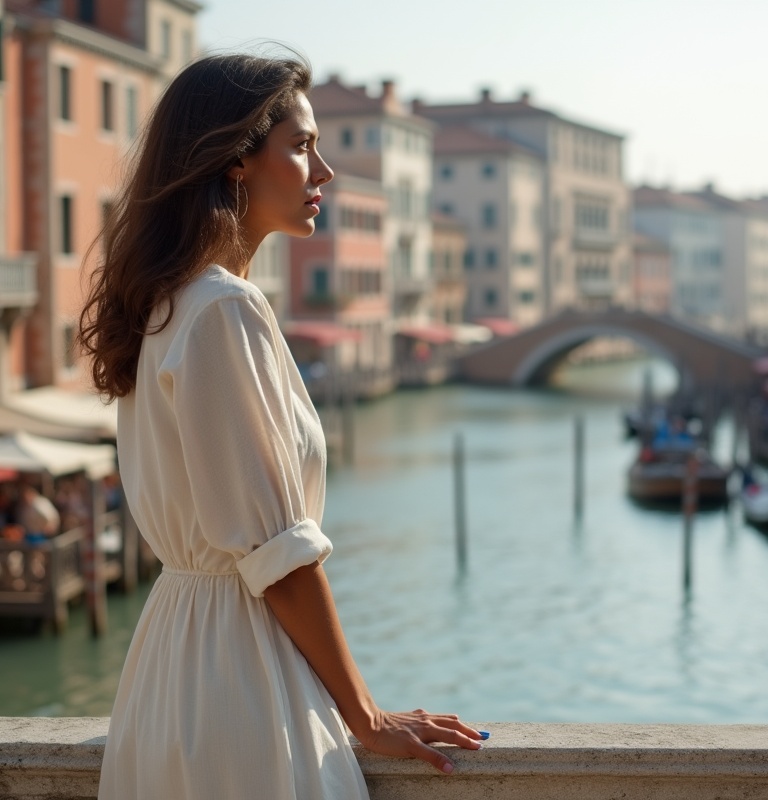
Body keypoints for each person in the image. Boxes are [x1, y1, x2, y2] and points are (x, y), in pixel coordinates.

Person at [78, 53, 484, 800]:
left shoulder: (165, 308)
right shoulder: (223, 309)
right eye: (302, 147)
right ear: (236, 160)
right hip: (240, 674)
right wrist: (365, 716)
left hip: (170, 667)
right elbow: (280, 556)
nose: (324, 171)